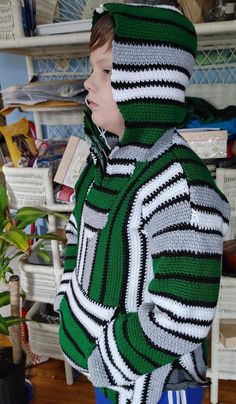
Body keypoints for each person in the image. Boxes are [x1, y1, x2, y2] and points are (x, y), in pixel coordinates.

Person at [54, 3, 230, 403]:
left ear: (149, 82)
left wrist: (105, 358)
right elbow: (75, 238)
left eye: (107, 71)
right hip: (107, 375)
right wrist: (67, 305)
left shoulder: (180, 187)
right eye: (91, 69)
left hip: (157, 385)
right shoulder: (101, 165)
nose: (88, 84)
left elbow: (183, 313)